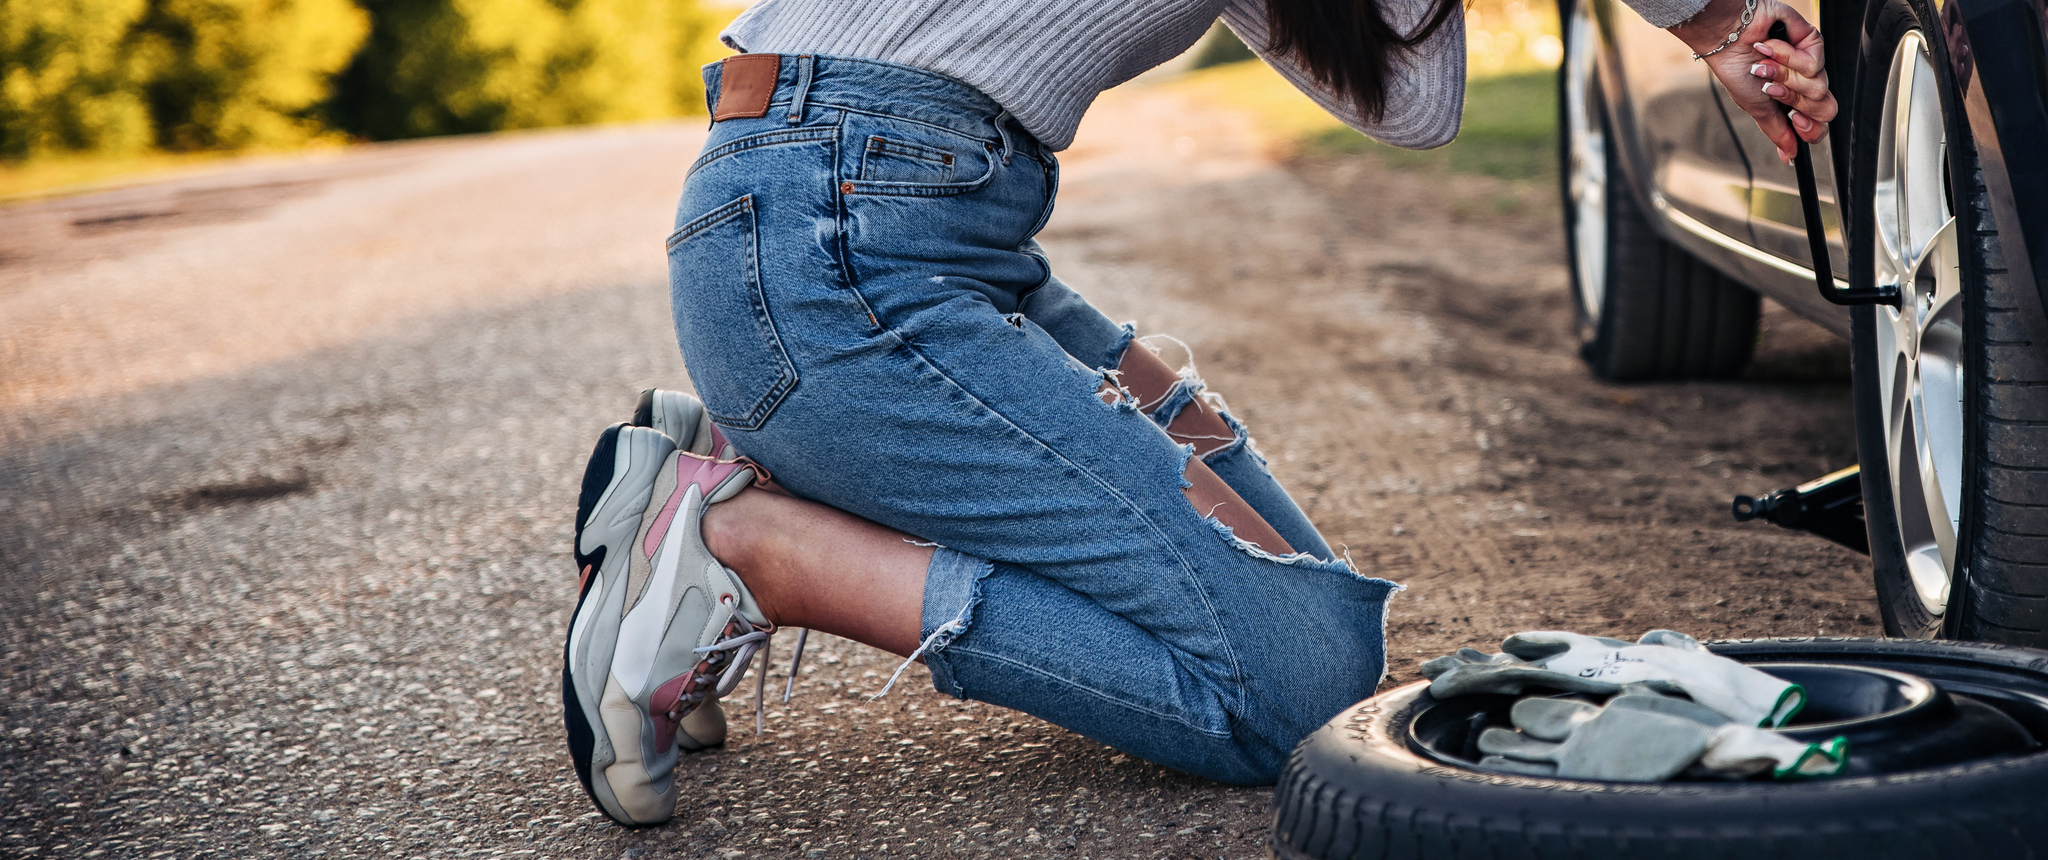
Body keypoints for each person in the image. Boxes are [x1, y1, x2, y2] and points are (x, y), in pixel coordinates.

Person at [560, 0, 1840, 827]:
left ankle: (762, 452)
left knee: (1310, 610)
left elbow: (1411, 100)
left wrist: (1715, 18)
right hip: (838, 244)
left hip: (893, 220)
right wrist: (1708, 13)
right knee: (1284, 691)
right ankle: (748, 547)